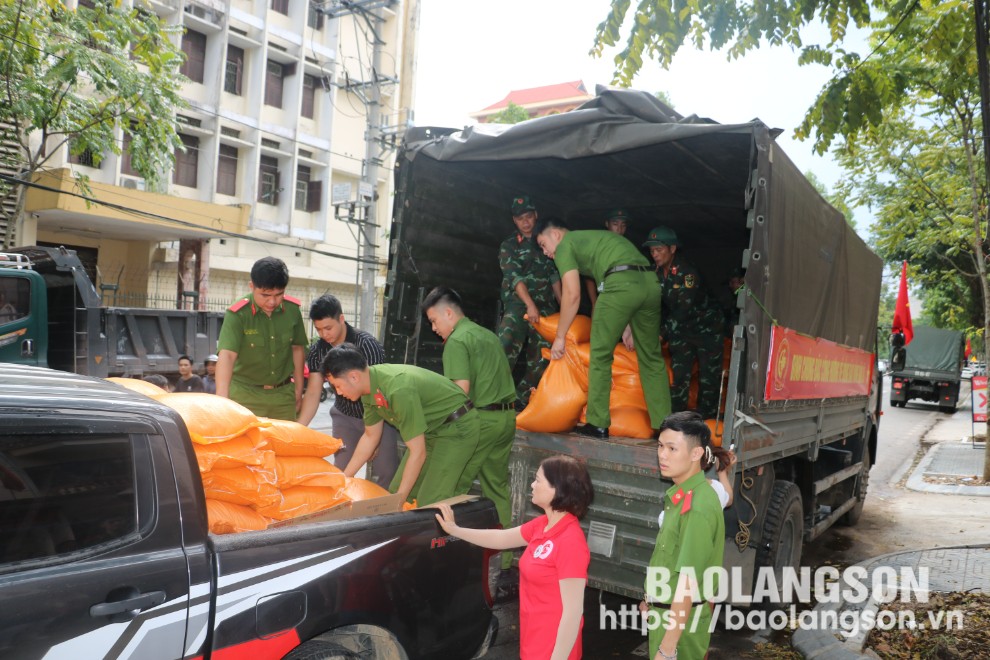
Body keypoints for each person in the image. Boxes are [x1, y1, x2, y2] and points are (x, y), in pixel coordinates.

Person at [435, 455, 593, 660]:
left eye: (538, 480)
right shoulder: (543, 525)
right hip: (533, 638)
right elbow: (500, 539)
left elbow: (573, 613)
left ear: (557, 489)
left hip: (554, 648)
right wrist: (455, 530)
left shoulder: (571, 541)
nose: (532, 485)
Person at [534, 216, 672, 440]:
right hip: (649, 284)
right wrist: (628, 325)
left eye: (543, 245)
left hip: (621, 284)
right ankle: (666, 426)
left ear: (556, 235)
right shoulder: (597, 240)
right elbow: (626, 277)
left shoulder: (566, 245)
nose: (546, 252)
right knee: (651, 358)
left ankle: (597, 423)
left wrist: (560, 337)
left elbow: (572, 294)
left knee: (600, 354)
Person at [422, 286, 516, 571]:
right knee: (497, 488)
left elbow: (458, 392)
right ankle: (506, 557)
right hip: (507, 419)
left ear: (449, 313)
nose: (435, 329)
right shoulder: (487, 335)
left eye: (435, 321)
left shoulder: (457, 341)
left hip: (481, 422)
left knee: (456, 486)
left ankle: (451, 557)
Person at [322, 344, 480, 506]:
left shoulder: (397, 389)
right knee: (398, 489)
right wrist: (345, 479)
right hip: (431, 430)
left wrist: (398, 501)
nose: (339, 393)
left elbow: (418, 452)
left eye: (338, 386)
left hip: (457, 428)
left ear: (354, 377)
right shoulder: (368, 390)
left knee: (431, 500)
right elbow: (370, 436)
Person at [642, 411, 726, 660]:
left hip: (679, 627)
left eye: (671, 448)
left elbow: (687, 585)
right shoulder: (681, 496)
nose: (662, 455)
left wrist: (666, 651)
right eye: (660, 446)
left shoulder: (697, 507)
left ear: (696, 453)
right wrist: (650, 599)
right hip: (667, 616)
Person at [298, 294, 400, 487]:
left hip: (378, 414)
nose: (324, 334)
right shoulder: (318, 350)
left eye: (328, 328)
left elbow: (378, 389)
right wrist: (298, 428)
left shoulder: (367, 345)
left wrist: (375, 438)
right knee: (342, 469)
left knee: (386, 472)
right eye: (319, 329)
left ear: (341, 319)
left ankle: (382, 513)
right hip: (345, 415)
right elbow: (312, 392)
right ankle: (343, 511)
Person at [645, 226, 724, 419]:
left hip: (707, 328)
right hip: (681, 329)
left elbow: (682, 309)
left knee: (708, 376)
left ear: (672, 249)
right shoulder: (654, 273)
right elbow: (653, 304)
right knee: (679, 373)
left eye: (659, 249)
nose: (655, 254)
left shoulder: (687, 273)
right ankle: (675, 417)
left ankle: (706, 418)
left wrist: (662, 334)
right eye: (652, 250)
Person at [215, 257, 308, 420]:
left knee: (285, 443)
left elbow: (297, 349)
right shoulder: (238, 314)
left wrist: (299, 390)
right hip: (244, 397)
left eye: (279, 294)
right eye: (265, 295)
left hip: (283, 396)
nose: (272, 301)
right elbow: (227, 356)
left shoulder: (292, 311)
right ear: (252, 286)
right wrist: (222, 400)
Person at [498, 195, 562, 410]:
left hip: (545, 308)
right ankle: (495, 396)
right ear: (514, 221)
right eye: (519, 218)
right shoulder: (509, 245)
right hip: (518, 305)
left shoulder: (544, 241)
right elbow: (514, 277)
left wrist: (564, 308)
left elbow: (555, 277)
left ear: (536, 215)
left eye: (528, 217)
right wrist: (529, 305)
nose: (525, 222)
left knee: (544, 357)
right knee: (503, 345)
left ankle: (520, 398)